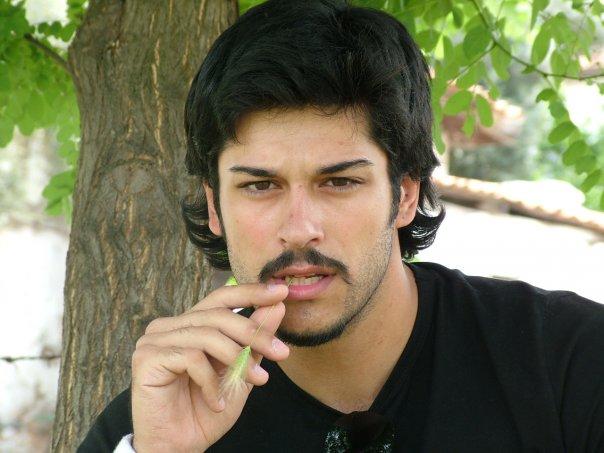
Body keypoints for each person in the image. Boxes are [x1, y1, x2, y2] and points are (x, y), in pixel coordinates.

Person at [78, 0, 604, 451]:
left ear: (405, 194)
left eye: (339, 182)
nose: (299, 229)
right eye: (260, 185)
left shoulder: (570, 364)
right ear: (215, 208)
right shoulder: (154, 423)